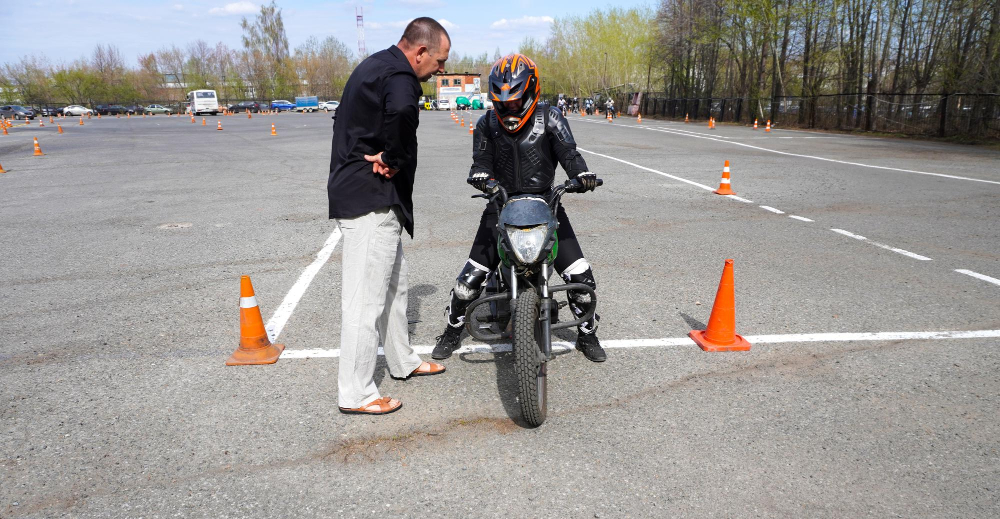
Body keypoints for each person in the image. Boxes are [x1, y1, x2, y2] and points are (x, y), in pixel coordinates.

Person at [432, 53, 606, 363]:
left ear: (531, 91)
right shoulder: (486, 123)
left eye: (516, 99)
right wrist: (480, 175)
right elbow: (481, 160)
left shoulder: (551, 117)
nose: (510, 106)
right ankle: (451, 329)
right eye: (503, 100)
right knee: (467, 284)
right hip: (500, 204)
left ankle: (588, 333)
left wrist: (580, 175)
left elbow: (569, 154)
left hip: (546, 204)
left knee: (582, 278)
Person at [327, 17, 452, 415]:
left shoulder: (376, 64)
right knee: (365, 302)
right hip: (370, 200)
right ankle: (357, 393)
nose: (442, 70)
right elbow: (400, 110)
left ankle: (402, 361)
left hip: (372, 198)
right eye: (439, 61)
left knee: (396, 287)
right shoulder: (400, 77)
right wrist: (394, 158)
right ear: (420, 52)